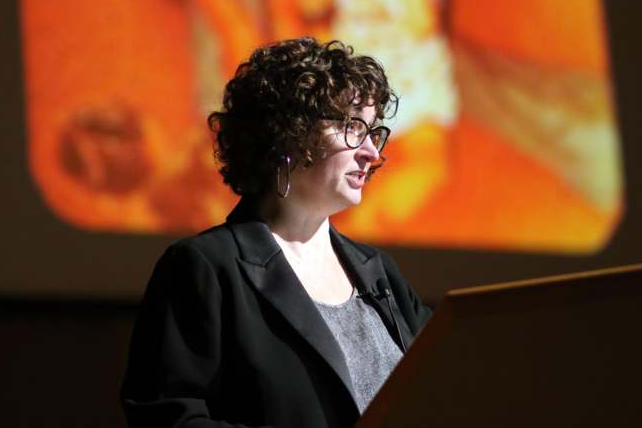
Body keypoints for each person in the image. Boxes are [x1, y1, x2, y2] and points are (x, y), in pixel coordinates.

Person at [121, 37, 432, 428]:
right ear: (288, 133)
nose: (372, 152)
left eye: (374, 132)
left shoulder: (378, 273)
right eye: (351, 126)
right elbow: (168, 418)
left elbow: (442, 389)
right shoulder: (205, 269)